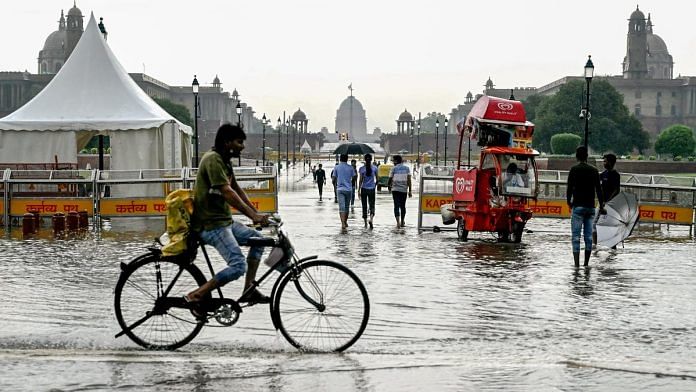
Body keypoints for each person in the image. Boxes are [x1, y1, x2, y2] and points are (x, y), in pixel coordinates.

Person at [184, 123, 271, 307]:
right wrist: (252, 216)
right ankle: (198, 294)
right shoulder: (212, 160)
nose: (243, 146)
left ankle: (249, 290)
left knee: (259, 241)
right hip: (211, 225)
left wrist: (256, 213)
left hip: (224, 222)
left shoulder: (224, 161)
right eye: (239, 142)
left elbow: (237, 189)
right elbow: (227, 192)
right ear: (227, 142)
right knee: (239, 266)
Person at [566, 146, 605, 268]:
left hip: (578, 206)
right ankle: (586, 264)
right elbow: (599, 190)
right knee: (588, 237)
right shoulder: (593, 170)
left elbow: (569, 187)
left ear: (577, 156)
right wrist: (602, 205)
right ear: (587, 156)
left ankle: (576, 265)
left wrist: (569, 201)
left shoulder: (574, 169)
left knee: (576, 237)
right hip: (590, 207)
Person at [593, 153, 621, 247]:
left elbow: (616, 190)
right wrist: (601, 203)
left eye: (605, 161)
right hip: (601, 204)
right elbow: (598, 188)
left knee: (611, 226)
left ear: (610, 162)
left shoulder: (616, 175)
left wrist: (608, 202)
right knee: (594, 224)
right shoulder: (602, 174)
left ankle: (613, 246)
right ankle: (595, 245)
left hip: (611, 205)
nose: (603, 163)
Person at [388, 155, 412, 228]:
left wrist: (389, 186)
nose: (392, 162)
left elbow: (390, 179)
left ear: (396, 161)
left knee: (396, 206)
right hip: (404, 190)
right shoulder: (407, 168)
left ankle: (398, 223)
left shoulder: (393, 168)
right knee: (403, 206)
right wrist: (410, 190)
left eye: (393, 161)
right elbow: (409, 180)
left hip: (395, 190)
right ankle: (402, 221)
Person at [333, 154, 355, 230]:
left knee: (341, 207)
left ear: (340, 159)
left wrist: (335, 185)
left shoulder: (337, 167)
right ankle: (345, 221)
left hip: (340, 189)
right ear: (347, 159)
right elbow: (354, 177)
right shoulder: (350, 167)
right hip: (348, 189)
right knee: (346, 207)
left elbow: (333, 178)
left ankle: (342, 223)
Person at [358, 153, 377, 229]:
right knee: (372, 205)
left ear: (364, 160)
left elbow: (360, 180)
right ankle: (371, 219)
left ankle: (365, 223)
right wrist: (374, 186)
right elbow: (378, 179)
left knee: (364, 206)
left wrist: (359, 190)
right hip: (371, 189)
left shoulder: (362, 169)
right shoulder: (375, 168)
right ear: (371, 159)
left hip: (364, 189)